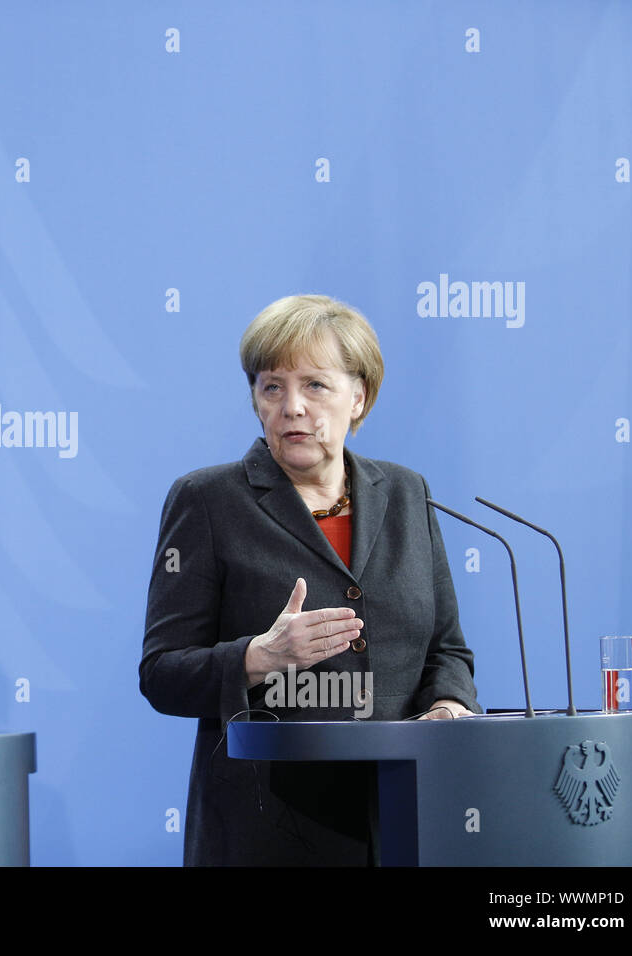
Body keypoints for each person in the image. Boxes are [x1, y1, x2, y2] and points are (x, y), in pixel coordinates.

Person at [140, 293, 478, 866]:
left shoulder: (405, 493)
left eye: (315, 385)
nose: (292, 406)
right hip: (265, 829)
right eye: (272, 386)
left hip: (404, 820)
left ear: (359, 396)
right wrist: (258, 656)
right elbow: (161, 673)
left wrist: (447, 710)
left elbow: (447, 650)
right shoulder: (207, 501)